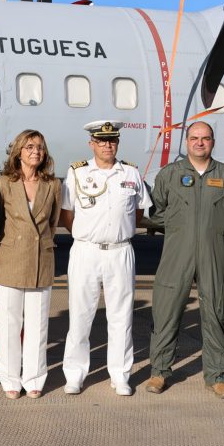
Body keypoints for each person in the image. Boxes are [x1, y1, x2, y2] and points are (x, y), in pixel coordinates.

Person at [145, 122, 224, 398]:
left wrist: (213, 227)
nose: (199, 143)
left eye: (205, 138)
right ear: (186, 142)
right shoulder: (170, 174)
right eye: (194, 138)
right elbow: (155, 211)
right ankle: (159, 372)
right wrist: (181, 226)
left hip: (213, 252)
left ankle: (217, 375)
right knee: (166, 311)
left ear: (213, 142)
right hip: (177, 252)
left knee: (215, 311)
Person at [60, 120, 151, 397]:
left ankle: (120, 375)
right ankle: (75, 374)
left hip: (120, 251)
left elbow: (138, 213)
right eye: (101, 141)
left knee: (122, 317)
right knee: (80, 316)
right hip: (86, 250)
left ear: (118, 143)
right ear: (92, 144)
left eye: (112, 140)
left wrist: (118, 232)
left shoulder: (131, 173)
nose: (107, 145)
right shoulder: (77, 173)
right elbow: (67, 214)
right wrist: (88, 234)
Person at [0, 130, 61, 399]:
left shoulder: (52, 184)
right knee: (10, 325)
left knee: (38, 325)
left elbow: (53, 224)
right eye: (30, 146)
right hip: (11, 258)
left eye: (40, 147)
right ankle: (10, 379)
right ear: (18, 151)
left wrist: (38, 243)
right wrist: (11, 244)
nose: (36, 151)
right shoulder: (4, 183)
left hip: (41, 259)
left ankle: (34, 378)